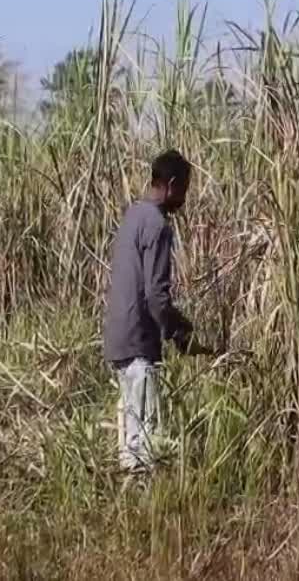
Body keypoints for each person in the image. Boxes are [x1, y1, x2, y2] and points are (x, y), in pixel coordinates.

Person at [103, 149, 196, 472]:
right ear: (171, 185)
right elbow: (156, 296)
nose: (184, 198)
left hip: (118, 340)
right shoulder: (157, 225)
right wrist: (180, 332)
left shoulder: (133, 215)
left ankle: (130, 510)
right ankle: (143, 511)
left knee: (131, 442)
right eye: (184, 189)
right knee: (144, 443)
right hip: (139, 343)